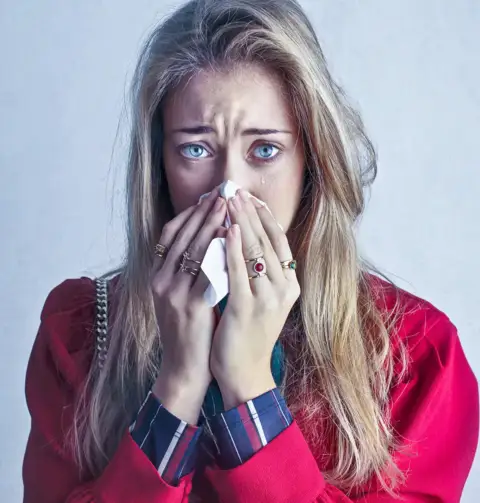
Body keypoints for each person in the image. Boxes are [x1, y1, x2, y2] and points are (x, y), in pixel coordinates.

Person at [22, 0, 478, 502]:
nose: (229, 190)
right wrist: (177, 385)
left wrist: (249, 389)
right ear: (159, 166)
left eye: (264, 150)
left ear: (312, 161)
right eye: (196, 148)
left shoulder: (418, 357)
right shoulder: (79, 331)